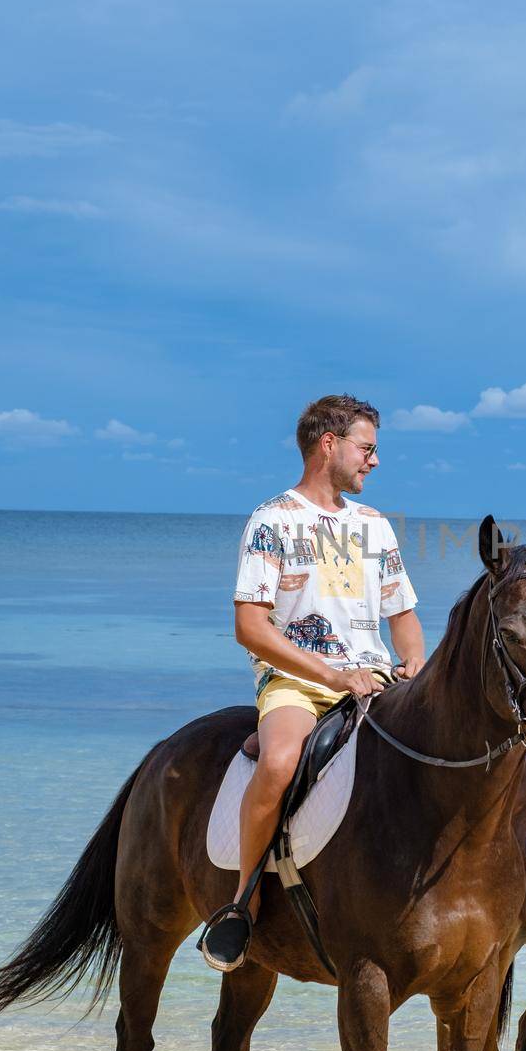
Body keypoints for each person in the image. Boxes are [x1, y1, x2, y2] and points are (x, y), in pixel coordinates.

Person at [199, 392, 424, 971]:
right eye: (366, 448)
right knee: (277, 763)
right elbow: (250, 626)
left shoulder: (375, 526)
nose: (373, 461)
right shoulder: (273, 520)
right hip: (298, 683)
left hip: (375, 681)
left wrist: (416, 665)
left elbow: (403, 618)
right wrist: (330, 673)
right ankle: (242, 902)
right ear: (330, 445)